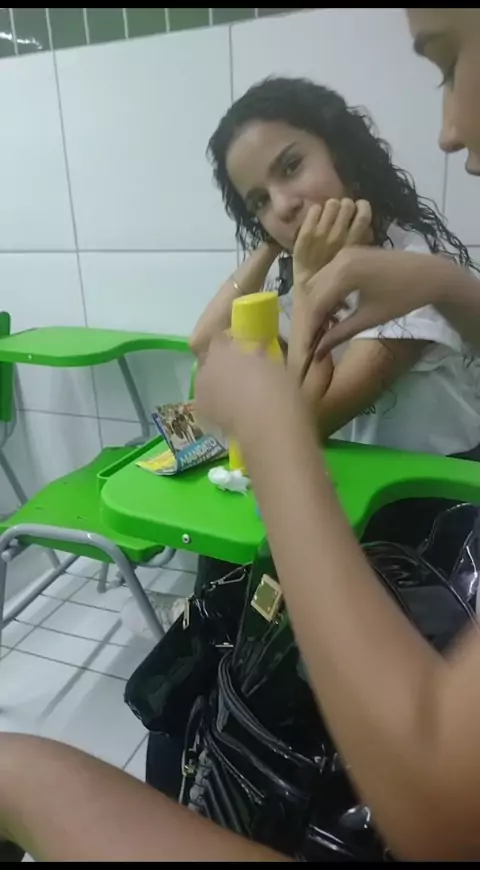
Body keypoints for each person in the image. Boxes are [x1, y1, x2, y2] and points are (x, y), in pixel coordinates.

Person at [2, 7, 480, 864]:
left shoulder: (399, 265)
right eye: (259, 197)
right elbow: (203, 341)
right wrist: (269, 249)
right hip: (353, 513)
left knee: (233, 624)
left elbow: (300, 419)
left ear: (344, 151)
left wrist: (306, 294)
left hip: (424, 540)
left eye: (293, 167)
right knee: (216, 618)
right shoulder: (317, 261)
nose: (286, 203)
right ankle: (206, 766)